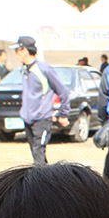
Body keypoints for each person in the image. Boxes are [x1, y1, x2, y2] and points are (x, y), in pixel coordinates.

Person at [13, 34, 69, 165]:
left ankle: (40, 183)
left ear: (25, 50)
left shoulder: (43, 68)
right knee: (36, 153)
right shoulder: (24, 69)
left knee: (38, 153)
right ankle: (46, 180)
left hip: (42, 118)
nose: (15, 54)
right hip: (28, 118)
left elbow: (63, 91)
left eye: (17, 50)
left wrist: (63, 114)